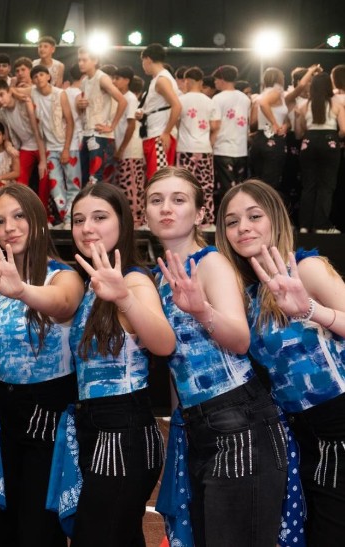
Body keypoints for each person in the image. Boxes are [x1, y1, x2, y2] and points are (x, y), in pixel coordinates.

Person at [145, 167, 287, 545]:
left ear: (200, 214)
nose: (166, 208)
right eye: (156, 200)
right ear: (144, 213)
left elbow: (239, 340)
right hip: (197, 424)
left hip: (240, 421)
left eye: (178, 200)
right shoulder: (160, 277)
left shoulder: (210, 262)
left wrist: (201, 310)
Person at [215, 178, 345, 543]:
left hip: (338, 424)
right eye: (232, 221)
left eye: (254, 216)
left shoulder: (307, 268)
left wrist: (311, 310)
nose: (243, 227)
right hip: (298, 434)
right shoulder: (246, 293)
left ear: (275, 218)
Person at [0, 184, 83, 546]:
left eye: (18, 216)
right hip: (0, 413)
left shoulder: (62, 275)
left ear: (38, 220)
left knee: (37, 528)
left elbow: (63, 304)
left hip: (48, 414)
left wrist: (21, 291)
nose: (9, 228)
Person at [67, 182, 175, 545]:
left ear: (122, 223)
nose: (87, 228)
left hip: (123, 428)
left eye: (99, 217)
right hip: (95, 425)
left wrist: (125, 298)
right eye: (78, 220)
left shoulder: (132, 279)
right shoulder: (92, 285)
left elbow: (164, 342)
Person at [30, 65, 80, 227]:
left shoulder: (60, 94)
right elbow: (15, 90)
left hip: (69, 146)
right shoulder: (34, 93)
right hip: (50, 148)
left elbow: (70, 122)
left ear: (48, 76)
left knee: (73, 185)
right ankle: (66, 217)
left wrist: (66, 149)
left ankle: (72, 219)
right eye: (35, 76)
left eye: (41, 74)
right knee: (55, 185)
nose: (39, 78)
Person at [295, 72, 345, 234]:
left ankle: (304, 225)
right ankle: (321, 225)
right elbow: (344, 129)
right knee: (326, 186)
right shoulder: (336, 103)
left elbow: (299, 133)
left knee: (308, 186)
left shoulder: (304, 105)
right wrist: (333, 138)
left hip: (308, 142)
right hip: (329, 142)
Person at [75, 48, 128, 185]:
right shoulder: (84, 81)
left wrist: (112, 126)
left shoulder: (102, 78)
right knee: (85, 177)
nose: (81, 63)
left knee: (96, 178)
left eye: (84, 60)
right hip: (87, 132)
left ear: (95, 61)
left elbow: (122, 101)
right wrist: (80, 105)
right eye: (79, 60)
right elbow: (85, 109)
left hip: (100, 134)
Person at [176, 67, 220, 226]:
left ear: (186, 81)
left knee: (183, 186)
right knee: (205, 186)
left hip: (184, 148)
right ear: (201, 82)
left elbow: (176, 123)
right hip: (204, 148)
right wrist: (210, 143)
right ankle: (206, 221)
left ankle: (183, 219)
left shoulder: (180, 100)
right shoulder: (210, 101)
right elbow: (215, 126)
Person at [211, 65, 251, 214]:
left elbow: (215, 125)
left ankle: (227, 217)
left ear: (222, 79)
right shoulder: (245, 98)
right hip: (241, 149)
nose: (215, 83)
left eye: (216, 79)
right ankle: (239, 215)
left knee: (226, 188)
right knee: (239, 187)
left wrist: (210, 144)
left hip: (222, 148)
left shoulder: (217, 98)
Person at [139, 44, 181, 179]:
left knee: (159, 178)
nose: (142, 65)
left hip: (159, 134)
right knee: (155, 177)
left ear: (148, 59)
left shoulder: (162, 80)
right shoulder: (157, 79)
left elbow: (177, 106)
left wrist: (166, 132)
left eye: (142, 61)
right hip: (154, 132)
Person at [111, 66, 146, 226]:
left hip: (131, 150)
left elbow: (131, 125)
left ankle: (136, 219)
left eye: (117, 78)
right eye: (113, 78)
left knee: (132, 186)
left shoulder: (130, 98)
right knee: (123, 185)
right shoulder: (119, 98)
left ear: (126, 81)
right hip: (122, 148)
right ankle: (128, 219)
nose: (114, 81)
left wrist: (121, 148)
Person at [250, 67, 289, 192]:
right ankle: (268, 204)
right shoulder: (276, 92)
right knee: (271, 183)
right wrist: (274, 123)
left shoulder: (258, 96)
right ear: (279, 79)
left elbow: (253, 122)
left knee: (258, 181)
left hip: (259, 137)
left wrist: (285, 125)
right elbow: (264, 104)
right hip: (273, 138)